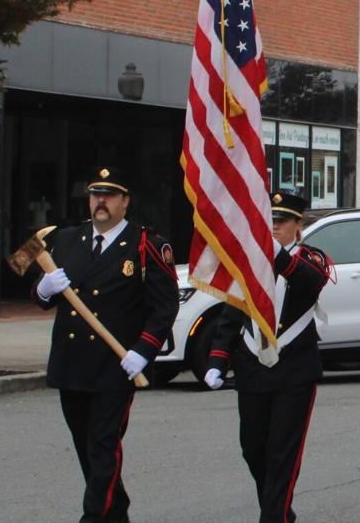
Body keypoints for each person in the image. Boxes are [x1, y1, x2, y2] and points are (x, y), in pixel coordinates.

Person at [31, 166, 179, 523]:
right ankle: (117, 512)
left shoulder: (146, 244)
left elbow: (164, 307)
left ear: (125, 202)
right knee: (87, 446)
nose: (101, 201)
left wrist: (143, 351)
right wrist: (44, 289)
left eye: (109, 195)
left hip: (115, 364)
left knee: (103, 443)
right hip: (71, 362)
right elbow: (38, 292)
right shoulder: (66, 239)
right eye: (96, 194)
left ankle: (94, 517)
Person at [203, 191, 334, 523]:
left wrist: (279, 256)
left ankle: (273, 516)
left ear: (298, 225)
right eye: (270, 221)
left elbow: (311, 281)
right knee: (253, 449)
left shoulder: (310, 257)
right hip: (252, 368)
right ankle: (280, 511)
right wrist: (217, 359)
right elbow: (232, 313)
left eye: (282, 221)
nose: (274, 226)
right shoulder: (249, 264)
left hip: (294, 370)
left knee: (282, 453)